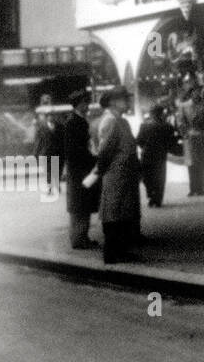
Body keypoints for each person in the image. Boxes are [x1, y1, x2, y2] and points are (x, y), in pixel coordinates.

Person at [88, 87, 142, 265]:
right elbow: (104, 152)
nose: (128, 102)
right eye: (124, 99)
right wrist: (101, 171)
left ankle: (121, 251)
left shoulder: (121, 121)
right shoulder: (110, 121)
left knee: (123, 213)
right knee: (114, 213)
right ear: (113, 102)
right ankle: (111, 254)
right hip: (115, 176)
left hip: (125, 175)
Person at [62, 89, 98, 250]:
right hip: (79, 171)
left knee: (83, 205)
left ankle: (82, 237)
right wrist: (92, 158)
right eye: (84, 103)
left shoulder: (79, 120)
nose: (87, 105)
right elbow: (74, 149)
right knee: (79, 207)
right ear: (78, 104)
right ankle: (78, 239)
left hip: (81, 169)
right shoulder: (73, 122)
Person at [176, 77, 204, 196]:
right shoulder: (184, 106)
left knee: (202, 163)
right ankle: (193, 188)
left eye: (199, 91)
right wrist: (185, 133)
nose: (197, 93)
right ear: (191, 93)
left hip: (202, 136)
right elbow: (180, 121)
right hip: (190, 137)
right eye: (195, 91)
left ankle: (201, 188)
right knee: (191, 164)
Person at [136, 102, 176, 208]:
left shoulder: (144, 125)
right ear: (162, 113)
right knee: (160, 177)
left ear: (151, 113)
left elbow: (139, 140)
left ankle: (151, 195)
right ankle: (157, 198)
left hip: (146, 154)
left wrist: (144, 147)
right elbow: (171, 142)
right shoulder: (168, 126)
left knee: (147, 177)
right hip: (160, 155)